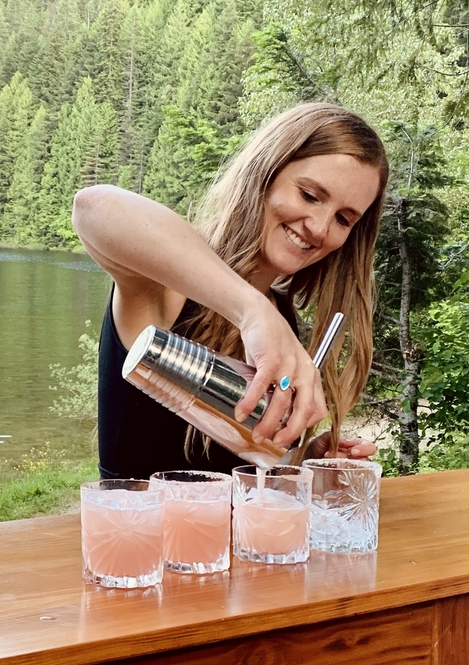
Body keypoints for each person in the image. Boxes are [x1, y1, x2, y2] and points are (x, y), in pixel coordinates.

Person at [72, 102, 388, 480]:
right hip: (135, 535)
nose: (320, 228)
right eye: (309, 195)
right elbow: (93, 207)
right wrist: (252, 310)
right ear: (265, 173)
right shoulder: (169, 287)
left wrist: (299, 461)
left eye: (342, 219)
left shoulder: (282, 321)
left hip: (229, 540)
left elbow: (225, 466)